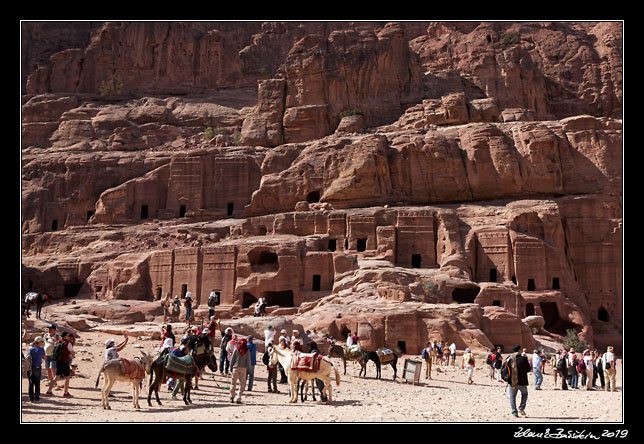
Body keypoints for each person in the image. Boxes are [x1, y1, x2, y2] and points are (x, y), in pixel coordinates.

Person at [46, 331, 75, 397]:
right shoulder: (68, 344)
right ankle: (66, 392)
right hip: (65, 361)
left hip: (58, 361)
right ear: (66, 336)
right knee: (67, 377)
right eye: (67, 335)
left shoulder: (57, 342)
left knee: (56, 376)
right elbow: (72, 352)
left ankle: (49, 390)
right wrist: (73, 356)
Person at [507, 344, 531, 418]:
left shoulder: (509, 358)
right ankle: (521, 408)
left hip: (512, 381)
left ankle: (514, 412)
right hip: (522, 381)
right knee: (524, 394)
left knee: (512, 397)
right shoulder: (523, 358)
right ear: (519, 350)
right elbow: (528, 369)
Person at [229, 337, 250, 404]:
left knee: (233, 383)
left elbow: (232, 359)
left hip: (235, 367)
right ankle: (238, 398)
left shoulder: (236, 350)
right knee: (242, 384)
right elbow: (248, 361)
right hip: (243, 368)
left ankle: (232, 396)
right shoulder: (247, 351)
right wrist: (249, 369)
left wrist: (231, 367)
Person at [26, 336, 46, 402]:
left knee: (31, 383)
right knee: (37, 383)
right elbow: (45, 358)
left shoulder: (30, 348)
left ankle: (31, 398)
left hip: (29, 367)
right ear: (39, 342)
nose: (43, 343)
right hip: (37, 367)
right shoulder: (41, 349)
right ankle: (37, 398)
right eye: (42, 342)